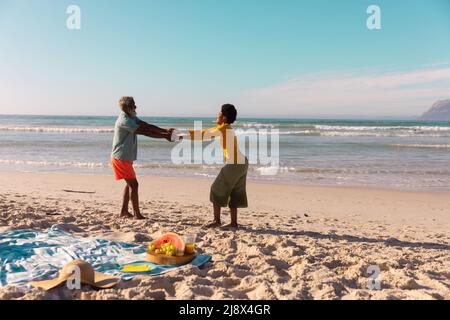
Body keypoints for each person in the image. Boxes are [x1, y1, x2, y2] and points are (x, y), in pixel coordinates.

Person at [183, 104, 248, 229]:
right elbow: (209, 131)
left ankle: (217, 220)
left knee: (215, 189)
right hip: (243, 163)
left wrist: (182, 134)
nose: (217, 114)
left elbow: (203, 134)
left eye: (219, 112)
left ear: (223, 117)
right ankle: (233, 223)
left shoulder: (223, 128)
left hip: (234, 163)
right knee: (234, 192)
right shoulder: (226, 127)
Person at [111, 96, 173, 219]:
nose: (136, 107)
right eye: (134, 105)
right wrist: (164, 136)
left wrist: (165, 131)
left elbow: (145, 125)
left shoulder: (130, 117)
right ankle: (137, 214)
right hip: (120, 158)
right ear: (128, 107)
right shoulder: (124, 121)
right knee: (134, 185)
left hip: (125, 158)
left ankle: (124, 211)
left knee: (130, 185)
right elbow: (144, 131)